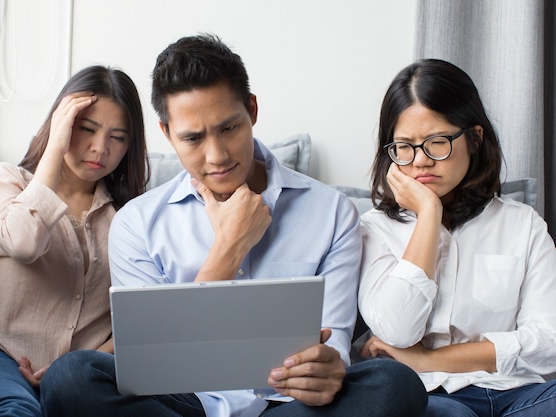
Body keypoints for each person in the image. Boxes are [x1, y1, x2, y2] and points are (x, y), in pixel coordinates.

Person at [39, 34, 427, 417]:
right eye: (192, 137)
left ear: (252, 110)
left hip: (287, 405)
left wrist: (327, 368)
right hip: (183, 401)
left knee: (395, 383)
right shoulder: (137, 224)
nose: (217, 155)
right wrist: (229, 247)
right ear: (167, 134)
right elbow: (156, 359)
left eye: (229, 128)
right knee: (71, 377)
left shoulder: (332, 212)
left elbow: (335, 339)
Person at [358, 58, 556, 416]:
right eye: (403, 146)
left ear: (474, 139)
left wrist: (429, 358)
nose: (420, 161)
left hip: (518, 392)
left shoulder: (522, 224)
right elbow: (398, 330)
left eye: (437, 142)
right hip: (432, 397)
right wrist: (429, 215)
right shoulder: (374, 228)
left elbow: (549, 341)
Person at [0, 65, 150, 417]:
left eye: (118, 137)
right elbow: (22, 242)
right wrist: (54, 146)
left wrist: (85, 363)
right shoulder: (6, 182)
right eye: (86, 129)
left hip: (86, 374)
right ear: (61, 125)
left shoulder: (130, 216)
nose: (100, 148)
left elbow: (138, 317)